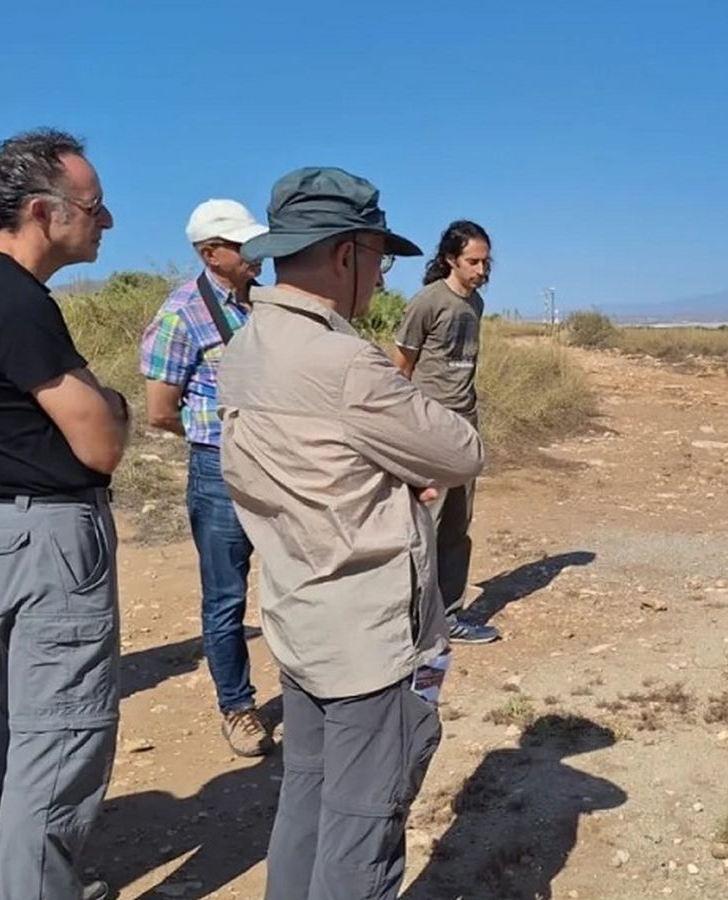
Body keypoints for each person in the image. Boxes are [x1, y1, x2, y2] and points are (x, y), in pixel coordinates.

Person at [217, 167, 483, 900]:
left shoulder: (247, 346)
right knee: (364, 826)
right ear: (346, 255)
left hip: (299, 616)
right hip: (370, 638)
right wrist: (404, 473)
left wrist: (388, 472)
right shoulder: (344, 363)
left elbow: (308, 472)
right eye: (379, 258)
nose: (379, 276)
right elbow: (461, 451)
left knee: (307, 796)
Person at [0, 128, 126, 900]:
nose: (105, 221)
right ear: (45, 211)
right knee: (62, 741)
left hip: (13, 530)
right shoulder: (13, 303)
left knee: (27, 732)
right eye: (94, 207)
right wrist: (106, 401)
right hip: (50, 538)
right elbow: (103, 439)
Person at [139, 199, 273, 757]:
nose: (256, 255)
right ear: (210, 253)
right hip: (219, 469)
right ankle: (237, 707)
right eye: (244, 246)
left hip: (275, 465)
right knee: (225, 597)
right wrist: (216, 441)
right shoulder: (180, 314)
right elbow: (160, 410)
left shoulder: (264, 304)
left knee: (293, 579)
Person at [390, 220, 499, 643]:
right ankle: (413, 620)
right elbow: (400, 368)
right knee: (424, 527)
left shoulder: (476, 305)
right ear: (450, 259)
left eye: (486, 261)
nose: (481, 270)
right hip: (428, 428)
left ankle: (449, 615)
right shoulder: (427, 302)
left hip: (464, 427)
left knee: (457, 526)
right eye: (473, 261)